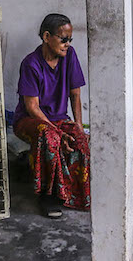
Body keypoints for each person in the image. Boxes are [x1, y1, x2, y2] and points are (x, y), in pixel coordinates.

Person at [11, 13, 91, 218]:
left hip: (57, 118)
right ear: (47, 37)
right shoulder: (31, 63)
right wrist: (57, 131)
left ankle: (73, 193)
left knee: (78, 138)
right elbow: (32, 107)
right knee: (49, 137)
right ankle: (47, 196)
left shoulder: (70, 56)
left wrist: (78, 125)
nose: (67, 44)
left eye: (69, 40)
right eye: (63, 39)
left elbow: (75, 94)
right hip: (29, 121)